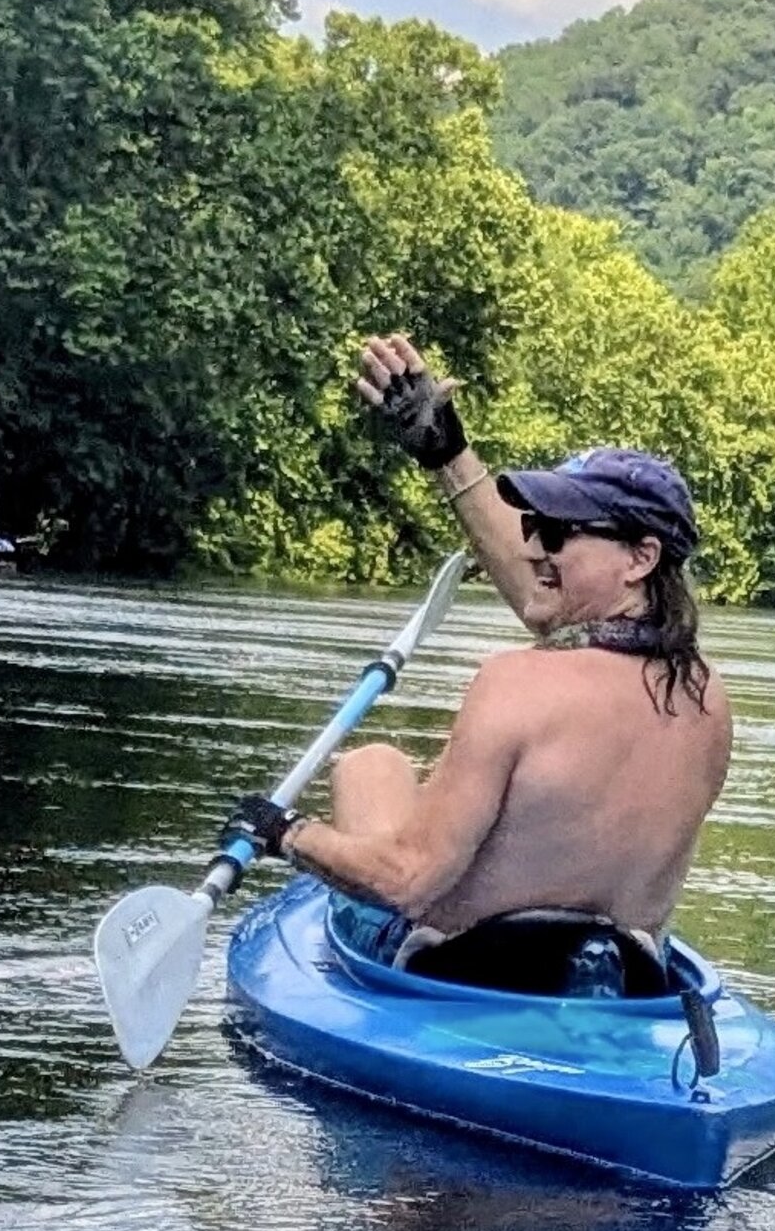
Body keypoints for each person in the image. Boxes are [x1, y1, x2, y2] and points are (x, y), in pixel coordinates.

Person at [223, 334, 732, 995]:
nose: (536, 548)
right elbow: (540, 600)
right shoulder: (708, 697)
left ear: (640, 557)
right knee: (389, 769)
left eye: (555, 533)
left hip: (462, 977)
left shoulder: (515, 682)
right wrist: (446, 452)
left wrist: (282, 831)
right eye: (533, 528)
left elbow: (408, 881)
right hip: (621, 985)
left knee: (370, 764)